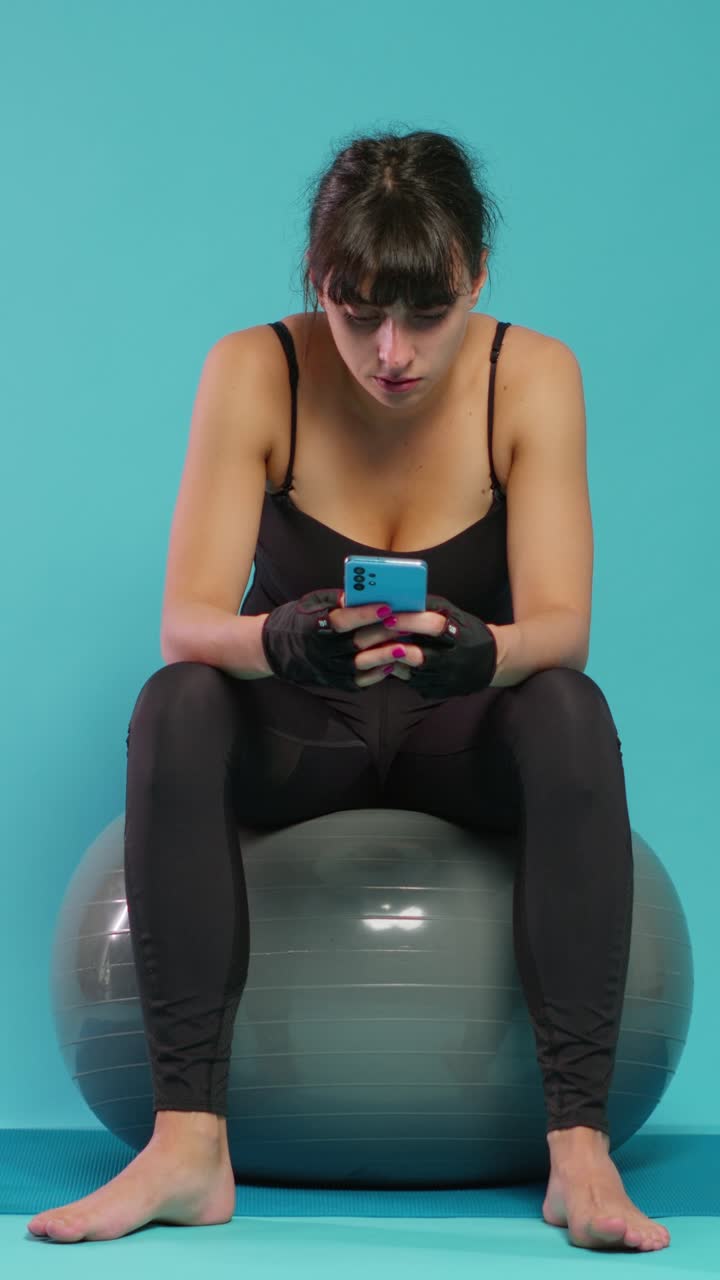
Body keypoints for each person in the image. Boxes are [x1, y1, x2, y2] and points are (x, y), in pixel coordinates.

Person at [27, 129, 669, 1251]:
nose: (391, 352)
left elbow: (565, 626)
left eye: (425, 313)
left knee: (572, 705)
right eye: (358, 309)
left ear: (474, 277)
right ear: (319, 286)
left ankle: (580, 1150)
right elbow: (186, 617)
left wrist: (488, 650)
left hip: (457, 733)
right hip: (303, 732)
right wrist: (278, 639)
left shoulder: (532, 372)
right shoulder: (255, 366)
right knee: (177, 694)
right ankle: (188, 1144)